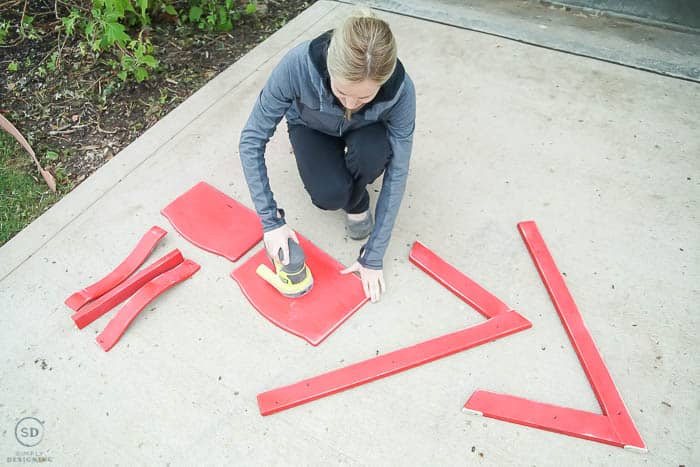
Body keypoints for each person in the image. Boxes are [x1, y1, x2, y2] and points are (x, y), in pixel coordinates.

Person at [238, 8, 416, 302]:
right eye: (342, 91)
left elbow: (398, 170)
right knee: (329, 195)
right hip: (311, 125)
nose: (351, 102)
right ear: (331, 69)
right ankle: (352, 197)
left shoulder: (401, 91)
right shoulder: (297, 65)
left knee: (373, 154)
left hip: (366, 131)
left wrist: (374, 255)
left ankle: (357, 198)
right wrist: (270, 222)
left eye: (365, 96)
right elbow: (251, 139)